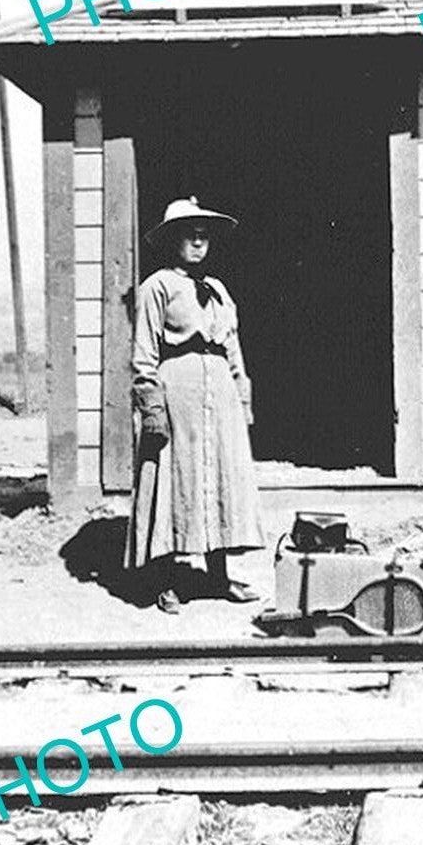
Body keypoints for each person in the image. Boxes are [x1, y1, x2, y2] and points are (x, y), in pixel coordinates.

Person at [130, 197, 265, 613]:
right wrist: (151, 406)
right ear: (172, 240)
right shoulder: (157, 287)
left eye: (204, 236)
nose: (198, 242)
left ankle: (220, 576)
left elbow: (233, 347)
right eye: (189, 234)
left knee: (220, 478)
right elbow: (143, 353)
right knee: (178, 479)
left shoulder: (219, 290)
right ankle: (168, 581)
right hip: (179, 392)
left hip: (219, 391)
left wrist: (242, 397)